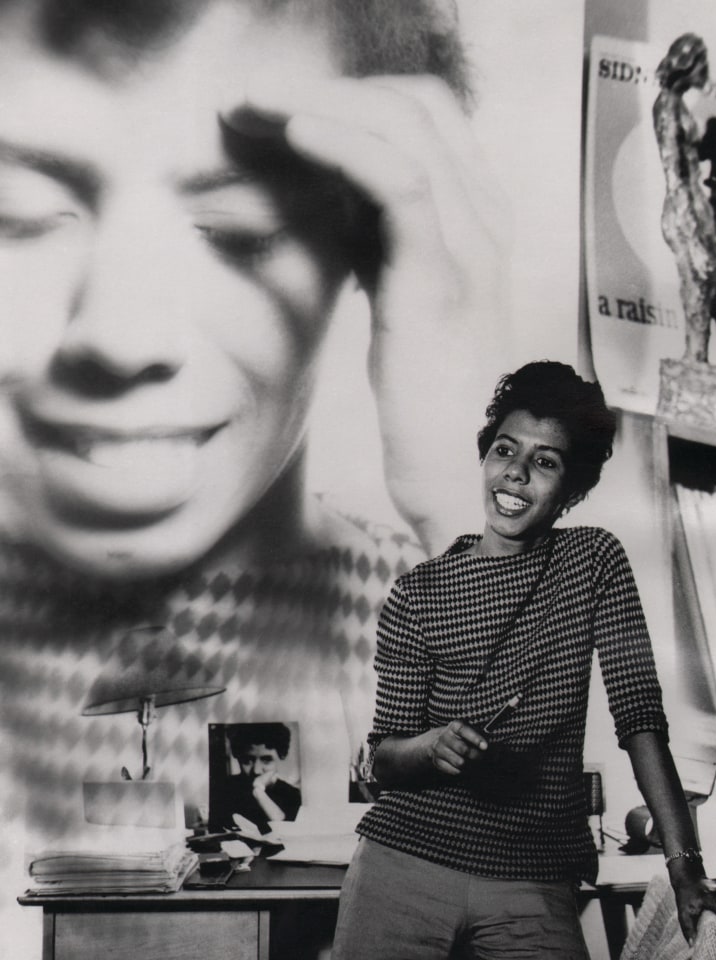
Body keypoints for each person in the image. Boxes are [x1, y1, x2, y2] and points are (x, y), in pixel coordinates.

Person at [0, 2, 505, 956]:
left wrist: (459, 485)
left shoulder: (422, 608)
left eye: (239, 229)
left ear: (369, 255)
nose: (122, 332)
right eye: (18, 219)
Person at [333, 361, 716, 960]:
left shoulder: (595, 561)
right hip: (404, 862)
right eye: (505, 450)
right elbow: (385, 762)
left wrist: (685, 866)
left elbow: (640, 718)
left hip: (535, 875)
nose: (517, 472)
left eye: (545, 461)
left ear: (572, 490)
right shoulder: (417, 593)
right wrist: (432, 745)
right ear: (485, 456)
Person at [653, 32, 716, 374]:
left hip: (694, 206)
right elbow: (674, 173)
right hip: (683, 210)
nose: (705, 70)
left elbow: (685, 156)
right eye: (701, 63)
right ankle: (695, 358)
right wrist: (691, 227)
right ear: (687, 65)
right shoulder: (667, 108)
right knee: (699, 280)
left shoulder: (677, 106)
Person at [212, 723, 302, 834]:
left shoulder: (292, 796)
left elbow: (288, 836)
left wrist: (258, 792)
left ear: (281, 756)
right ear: (237, 756)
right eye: (247, 760)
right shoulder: (222, 791)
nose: (256, 770)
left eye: (267, 760)